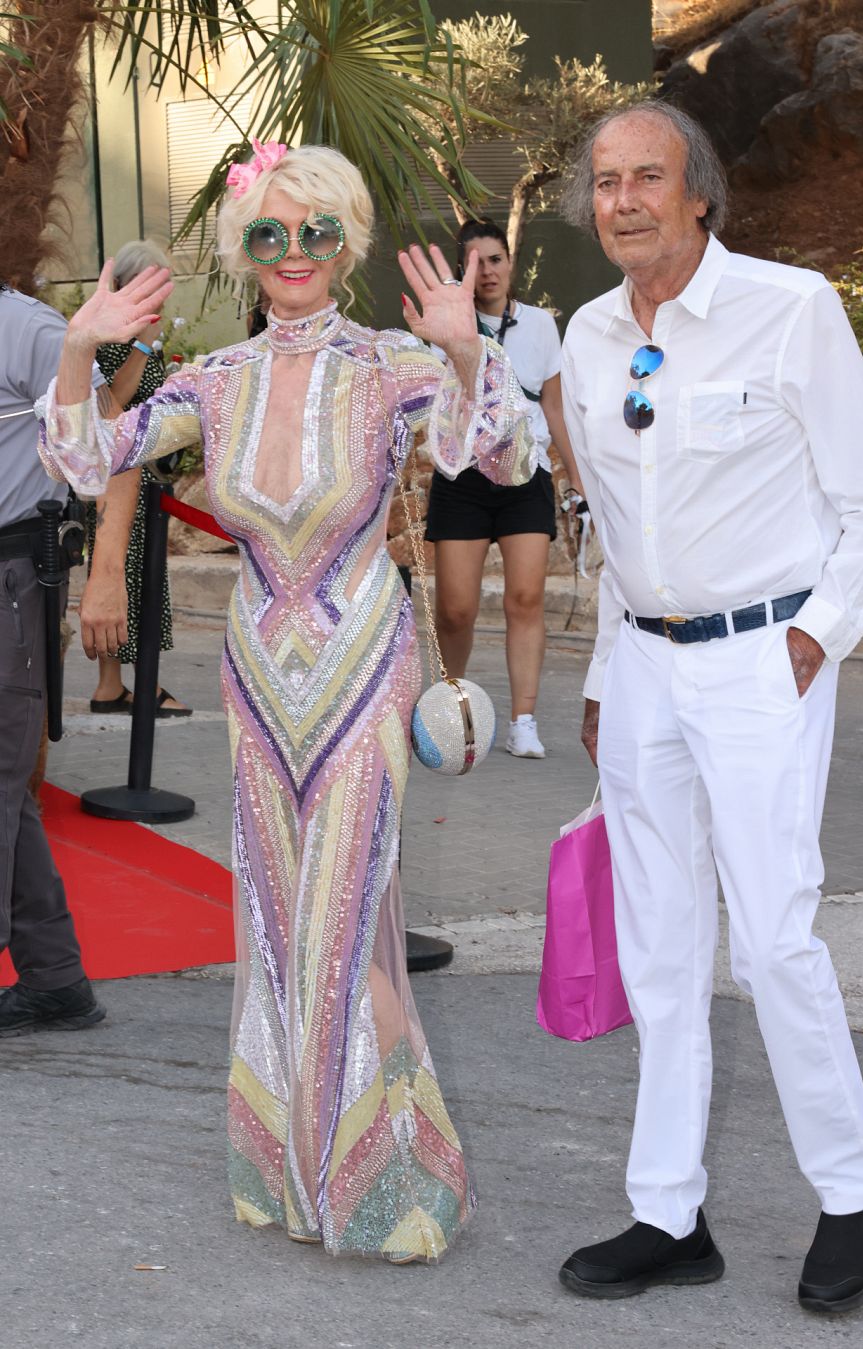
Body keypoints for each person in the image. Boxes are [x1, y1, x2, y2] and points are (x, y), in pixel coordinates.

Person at [40, 140, 534, 1261]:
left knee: (347, 911)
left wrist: (465, 357)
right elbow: (88, 456)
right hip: (257, 680)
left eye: (316, 232)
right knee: (271, 912)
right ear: (244, 252)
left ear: (348, 242)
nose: (294, 253)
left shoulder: (388, 360)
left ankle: (387, 1179)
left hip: (365, 667)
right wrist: (81, 345)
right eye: (270, 233)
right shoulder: (216, 381)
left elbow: (493, 456)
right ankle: (283, 1162)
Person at [556, 101, 863, 1313]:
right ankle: (668, 1209)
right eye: (604, 180)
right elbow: (609, 528)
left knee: (771, 935)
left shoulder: (789, 308)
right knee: (659, 944)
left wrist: (815, 637)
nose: (623, 200)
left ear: (700, 192)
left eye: (647, 176)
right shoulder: (591, 336)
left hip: (762, 658)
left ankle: (855, 1190)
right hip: (644, 665)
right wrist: (604, 674)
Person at [425, 218, 584, 759]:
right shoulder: (444, 326)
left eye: (495, 259)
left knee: (526, 597)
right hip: (462, 478)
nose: (487, 271)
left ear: (510, 263)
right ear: (460, 269)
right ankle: (452, 712)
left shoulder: (541, 325)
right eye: (475, 261)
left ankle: (524, 720)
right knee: (456, 609)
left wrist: (576, 474)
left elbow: (554, 406)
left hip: (525, 475)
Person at [0, 282, 108, 1036]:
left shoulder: (25, 326)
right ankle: (55, 976)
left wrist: (106, 574)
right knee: (6, 780)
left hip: (9, 573)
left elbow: (114, 435)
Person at [82, 239, 191, 717]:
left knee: (144, 582)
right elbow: (112, 402)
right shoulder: (110, 336)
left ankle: (121, 685)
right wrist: (146, 345)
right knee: (115, 579)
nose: (159, 294)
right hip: (113, 481)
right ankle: (119, 684)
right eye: (151, 282)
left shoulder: (142, 333)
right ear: (125, 283)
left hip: (146, 483)